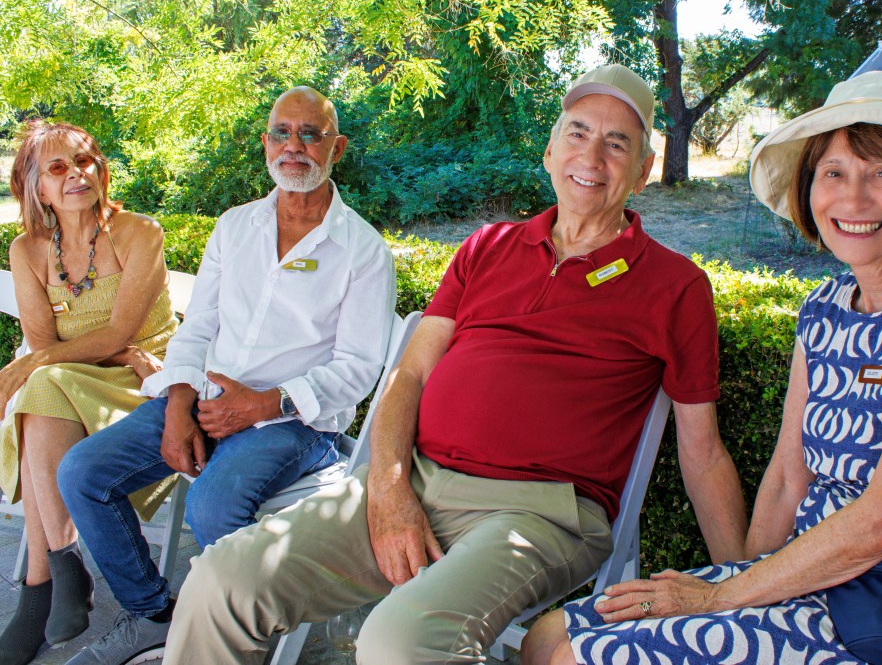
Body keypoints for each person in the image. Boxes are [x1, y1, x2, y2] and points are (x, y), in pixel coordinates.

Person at [161, 63, 748, 663]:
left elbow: (701, 451)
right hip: (411, 477)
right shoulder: (487, 248)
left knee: (399, 641)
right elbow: (407, 376)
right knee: (221, 581)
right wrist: (388, 488)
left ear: (645, 170)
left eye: (616, 142)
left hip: (538, 514)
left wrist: (744, 589)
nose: (591, 156)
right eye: (577, 133)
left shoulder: (676, 287)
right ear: (549, 152)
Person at [522, 71, 882, 665]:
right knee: (548, 634)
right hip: (809, 583)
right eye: (834, 173)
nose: (854, 198)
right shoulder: (826, 308)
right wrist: (735, 584)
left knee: (575, 657)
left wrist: (719, 598)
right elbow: (789, 477)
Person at [55, 86, 397, 665]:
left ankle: (232, 638)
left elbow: (359, 369)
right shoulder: (235, 227)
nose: (296, 146)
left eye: (311, 134)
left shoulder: (363, 251)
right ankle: (154, 618)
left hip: (296, 425)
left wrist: (267, 405)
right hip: (207, 401)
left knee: (212, 506)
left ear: (335, 147)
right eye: (283, 133)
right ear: (265, 144)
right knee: (83, 471)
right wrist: (178, 406)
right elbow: (198, 329)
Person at [0, 121, 179, 665]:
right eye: (59, 168)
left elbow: (123, 336)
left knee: (39, 385)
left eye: (86, 161)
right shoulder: (27, 251)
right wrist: (39, 361)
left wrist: (37, 363)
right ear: (37, 188)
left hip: (143, 379)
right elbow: (42, 341)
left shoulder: (139, 232)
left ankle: (42, 587)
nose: (78, 174)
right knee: (43, 389)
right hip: (77, 378)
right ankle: (61, 563)